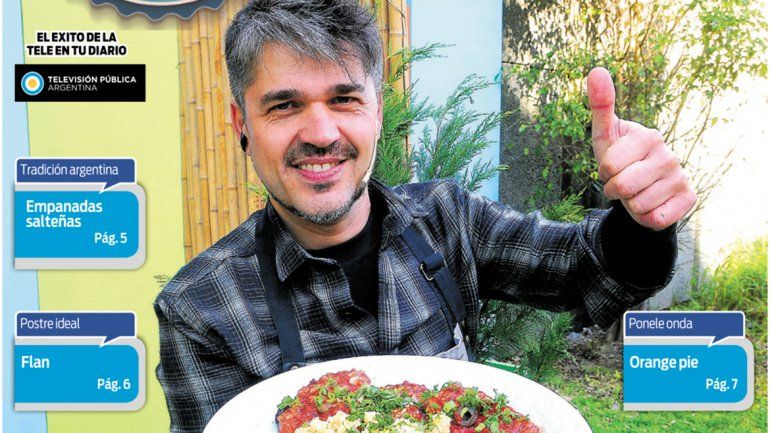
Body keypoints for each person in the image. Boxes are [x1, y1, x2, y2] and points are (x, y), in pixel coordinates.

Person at [154, 0, 696, 432]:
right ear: (240, 122)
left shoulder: (446, 219)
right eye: (284, 105)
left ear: (377, 111)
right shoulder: (200, 309)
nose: (321, 134)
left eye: (344, 99)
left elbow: (591, 272)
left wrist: (641, 221)